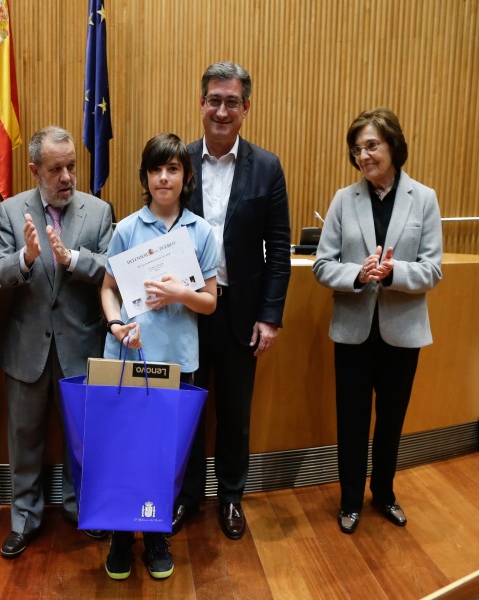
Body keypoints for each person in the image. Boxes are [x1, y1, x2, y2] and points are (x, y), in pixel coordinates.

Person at [173, 62, 291, 540]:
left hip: (242, 313)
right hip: (187, 308)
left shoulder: (267, 166)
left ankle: (231, 499)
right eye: (214, 100)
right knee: (189, 407)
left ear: (246, 108)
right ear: (201, 104)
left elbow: (279, 247)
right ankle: (188, 497)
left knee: (236, 413)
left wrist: (270, 316)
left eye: (232, 102)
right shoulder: (177, 160)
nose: (222, 110)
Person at [312, 108, 443, 534]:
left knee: (391, 420)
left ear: (393, 147)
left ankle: (384, 494)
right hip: (352, 331)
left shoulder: (423, 198)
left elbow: (433, 270)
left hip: (401, 332)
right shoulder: (342, 199)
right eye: (357, 149)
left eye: (372, 145)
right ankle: (350, 500)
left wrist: (392, 272)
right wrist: (356, 273)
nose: (364, 156)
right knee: (351, 419)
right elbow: (321, 265)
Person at [99, 132, 218, 580]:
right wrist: (115, 324)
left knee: (163, 455)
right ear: (145, 178)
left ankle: (154, 533)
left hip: (177, 362)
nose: (163, 178)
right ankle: (119, 535)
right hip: (129, 358)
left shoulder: (201, 232)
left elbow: (210, 302)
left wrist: (181, 294)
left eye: (173, 169)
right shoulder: (127, 228)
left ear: (186, 176)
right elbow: (108, 290)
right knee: (124, 450)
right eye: (155, 170)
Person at [0, 126, 113, 559]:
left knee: (82, 440)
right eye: (55, 169)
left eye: (71, 167)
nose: (66, 177)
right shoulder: (10, 211)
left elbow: (110, 270)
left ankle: (81, 508)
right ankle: (24, 519)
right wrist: (25, 259)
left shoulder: (99, 212)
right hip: (27, 346)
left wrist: (74, 260)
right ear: (34, 170)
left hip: (81, 345)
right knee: (25, 439)